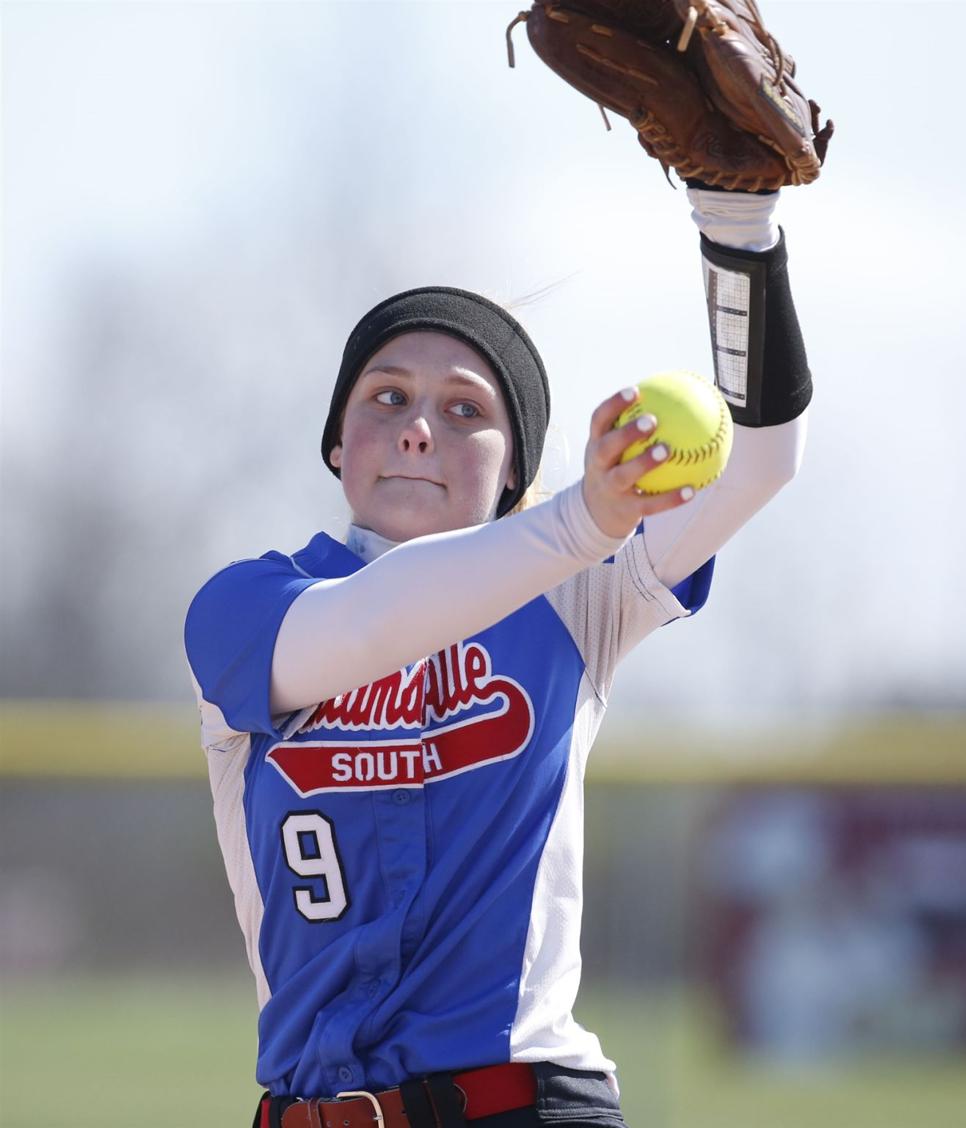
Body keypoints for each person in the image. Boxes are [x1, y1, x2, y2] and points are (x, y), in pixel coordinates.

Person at [184, 182, 811, 1128]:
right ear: (337, 445)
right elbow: (364, 627)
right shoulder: (242, 610)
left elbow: (762, 458)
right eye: (386, 395)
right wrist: (580, 521)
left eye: (467, 409)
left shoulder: (578, 591)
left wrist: (739, 231)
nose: (419, 425)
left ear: (517, 466)